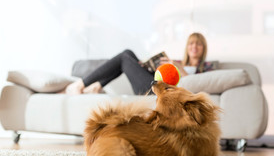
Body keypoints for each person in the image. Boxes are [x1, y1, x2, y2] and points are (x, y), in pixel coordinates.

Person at [64, 32, 215, 95]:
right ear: (187, 47)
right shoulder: (177, 62)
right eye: (191, 44)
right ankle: (97, 86)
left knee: (124, 56)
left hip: (157, 92)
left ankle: (81, 84)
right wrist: (149, 68)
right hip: (155, 82)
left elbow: (197, 85)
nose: (194, 47)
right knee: (129, 55)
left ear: (204, 48)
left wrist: (179, 68)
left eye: (198, 44)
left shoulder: (208, 67)